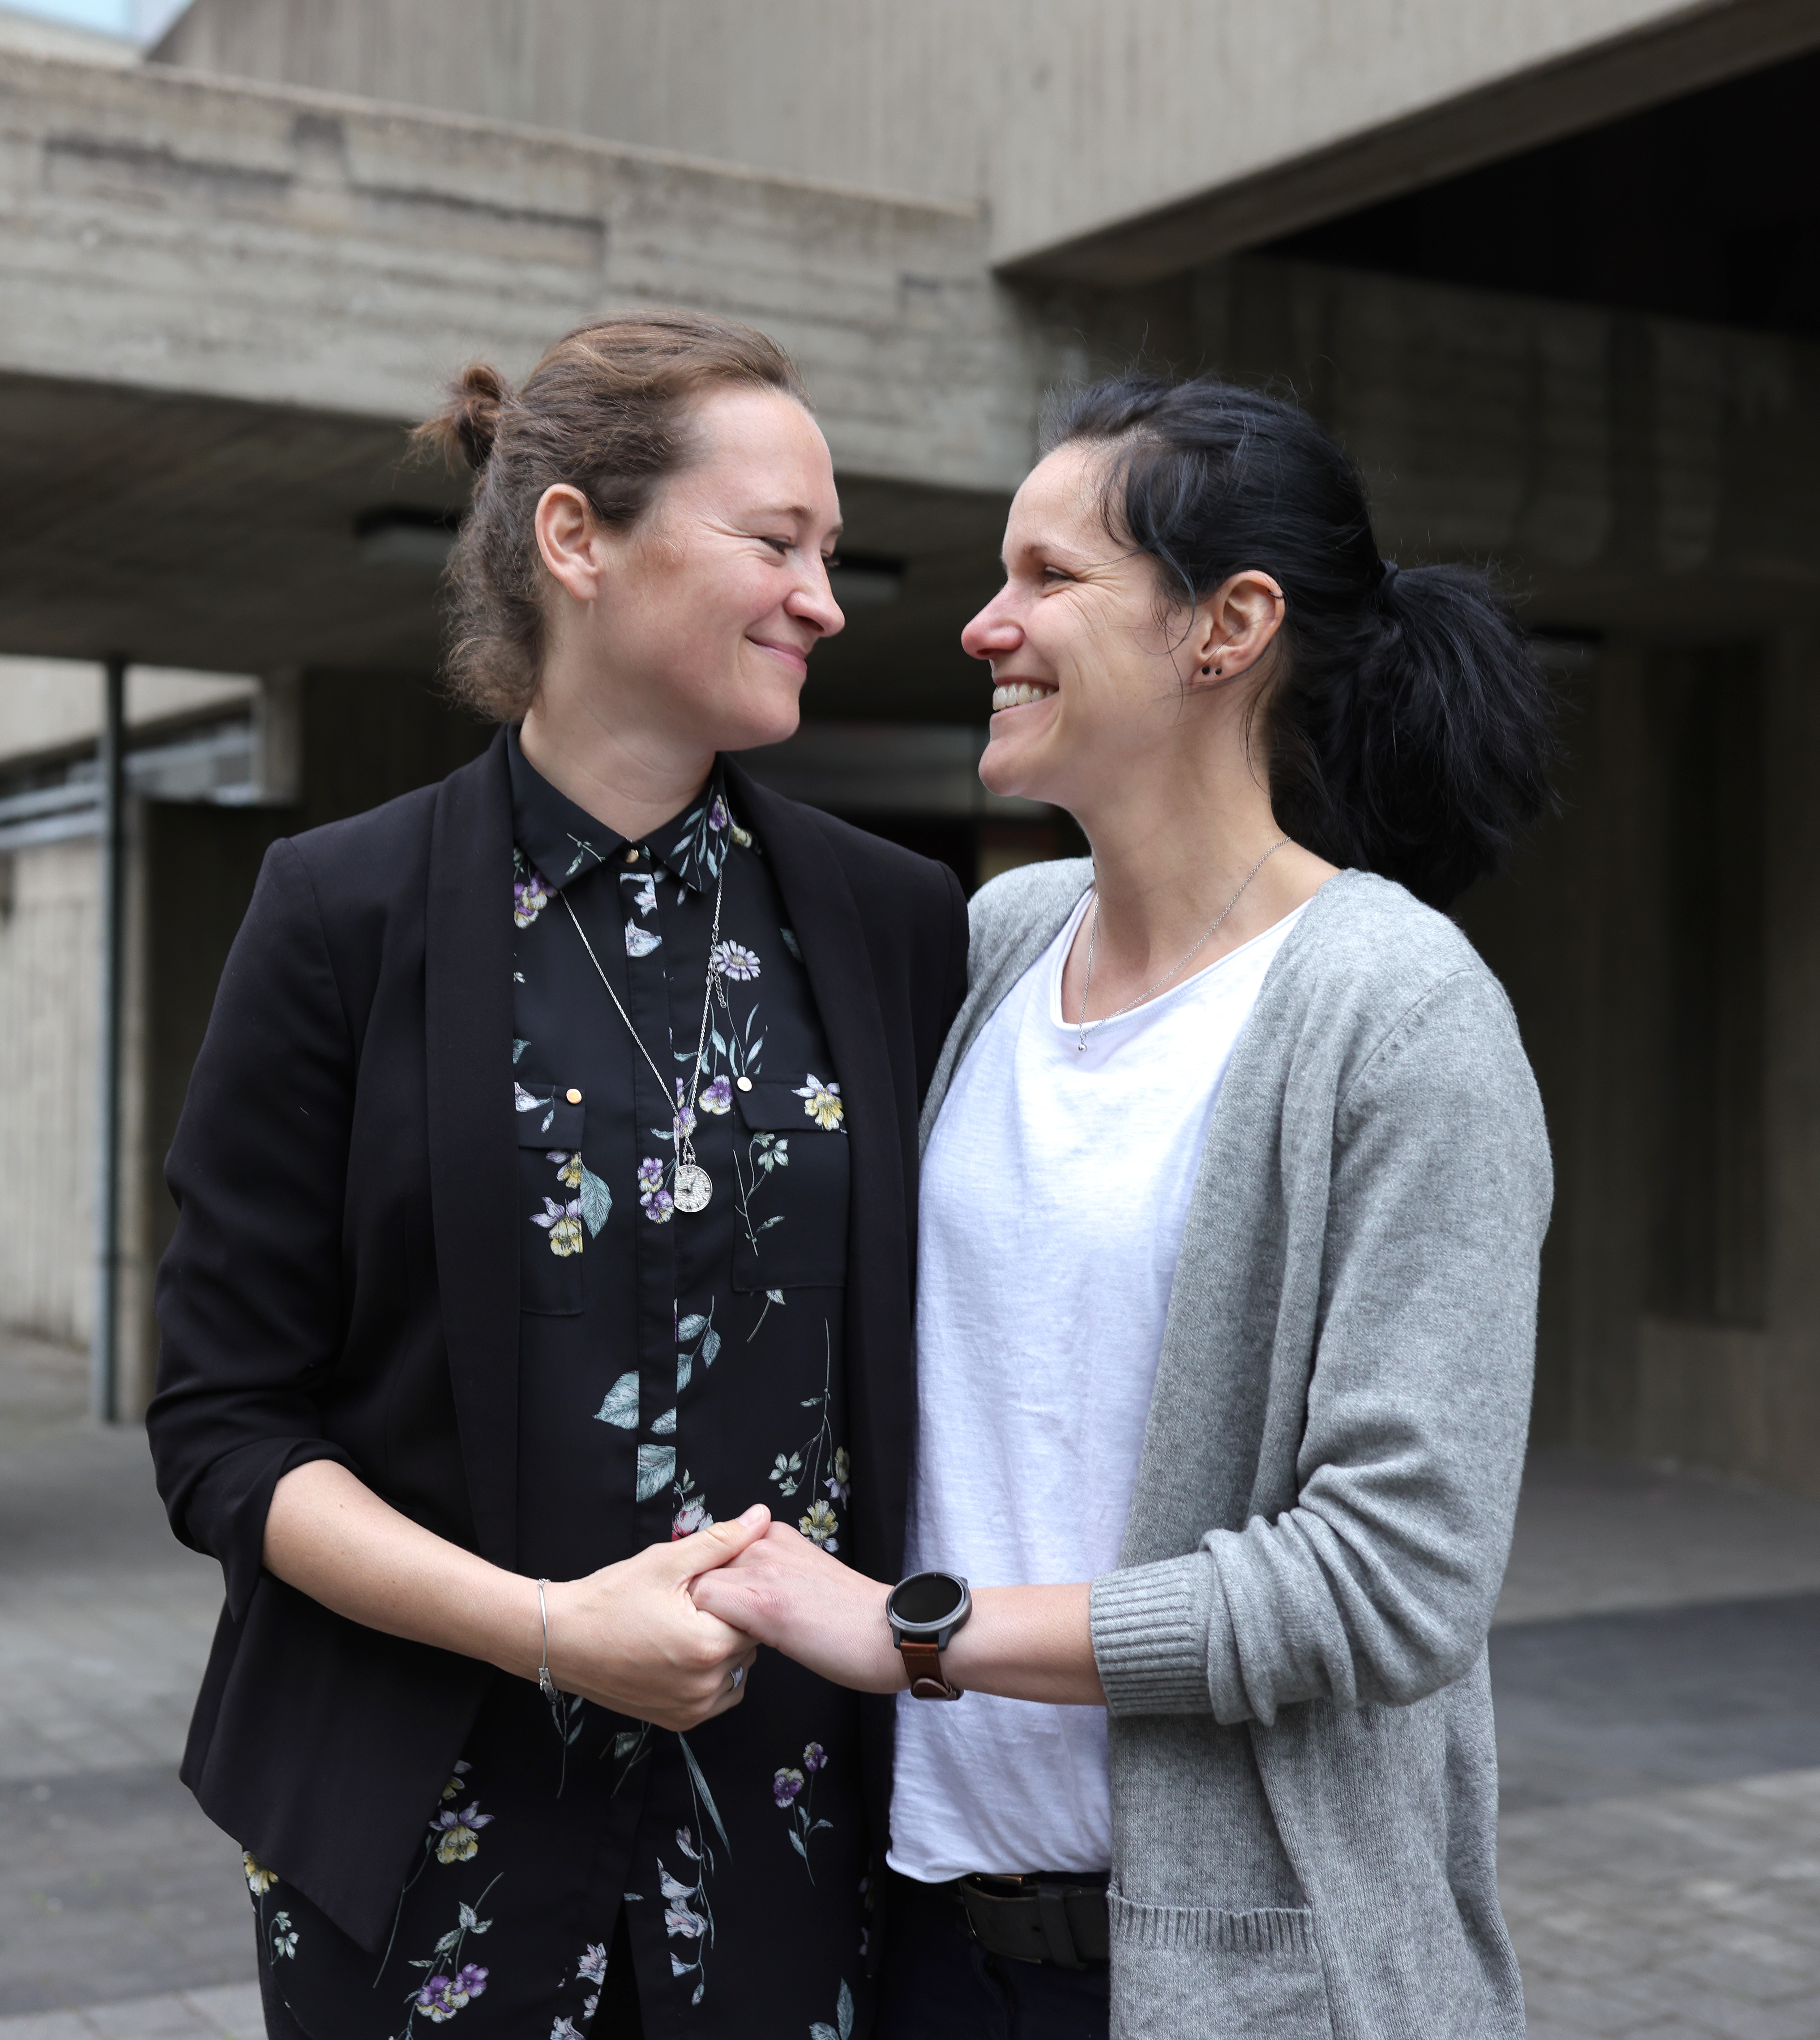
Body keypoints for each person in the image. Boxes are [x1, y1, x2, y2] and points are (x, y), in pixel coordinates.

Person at [695, 375, 1558, 2040]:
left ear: (1224, 626)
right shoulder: (1002, 942)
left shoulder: (1396, 1014)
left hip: (1235, 1970)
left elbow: (1387, 1580)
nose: (980, 625)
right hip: (926, 1934)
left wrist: (908, 1632)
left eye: (1044, 576)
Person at [146, 310, 968, 2040]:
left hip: (792, 1836)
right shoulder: (337, 915)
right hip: (420, 1822)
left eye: (831, 552)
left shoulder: (897, 926)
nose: (825, 597)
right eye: (775, 541)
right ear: (576, 538)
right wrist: (541, 1627)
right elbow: (225, 1427)